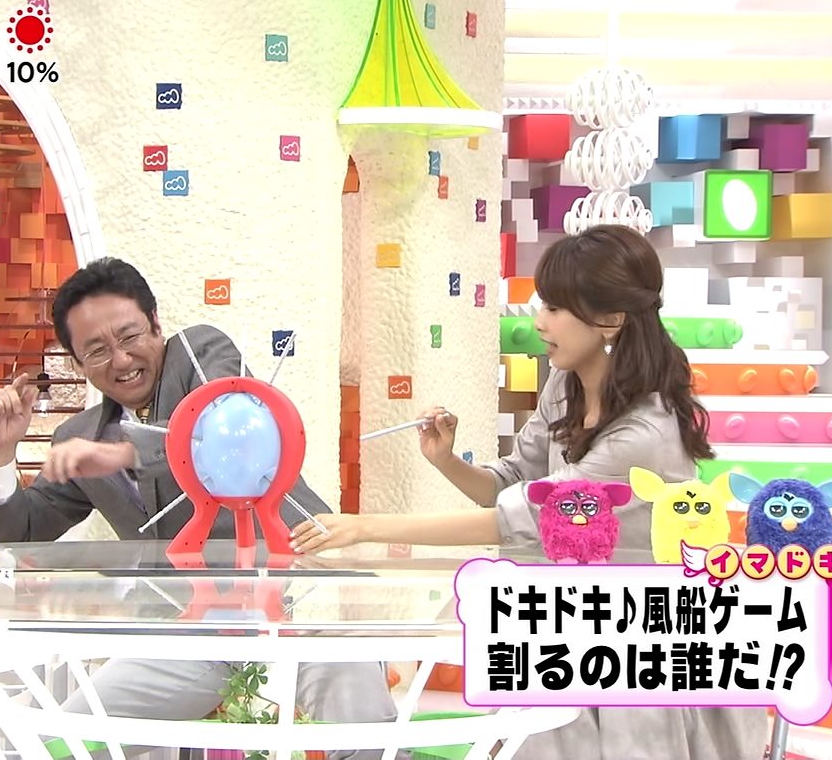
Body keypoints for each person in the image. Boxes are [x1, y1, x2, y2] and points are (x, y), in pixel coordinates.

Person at [289, 225, 767, 760]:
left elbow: (524, 517)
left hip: (634, 644)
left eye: (557, 309)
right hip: (569, 621)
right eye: (543, 305)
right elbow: (510, 483)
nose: (540, 321)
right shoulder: (566, 383)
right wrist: (445, 459)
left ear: (611, 320)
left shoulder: (643, 435)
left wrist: (363, 525)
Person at [0, 257, 400, 760]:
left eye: (129, 336)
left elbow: (225, 433)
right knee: (61, 744)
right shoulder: (79, 436)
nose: (121, 359)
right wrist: (0, 453)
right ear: (78, 364)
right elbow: (22, 534)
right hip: (195, 629)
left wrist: (122, 454)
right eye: (97, 350)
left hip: (303, 596)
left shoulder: (201, 352)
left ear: (156, 324)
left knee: (362, 738)